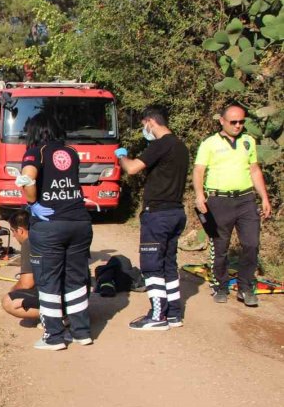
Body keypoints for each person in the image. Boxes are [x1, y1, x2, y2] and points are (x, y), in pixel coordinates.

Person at [18, 113, 93, 350]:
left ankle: (54, 336)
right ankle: (81, 332)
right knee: (76, 279)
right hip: (79, 222)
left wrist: (32, 204)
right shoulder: (71, 152)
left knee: (48, 280)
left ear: (35, 131)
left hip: (50, 226)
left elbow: (27, 179)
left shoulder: (35, 152)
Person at [114, 106, 189, 330]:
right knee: (168, 264)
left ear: (150, 122)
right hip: (176, 212)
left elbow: (132, 168)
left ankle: (157, 316)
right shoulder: (180, 146)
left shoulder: (161, 144)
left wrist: (122, 156)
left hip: (157, 214)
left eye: (143, 125)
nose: (144, 129)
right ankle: (173, 313)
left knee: (151, 265)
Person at [193, 103, 272, 307]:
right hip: (219, 201)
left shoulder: (248, 141)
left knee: (251, 244)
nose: (238, 125)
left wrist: (264, 197)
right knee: (220, 247)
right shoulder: (209, 143)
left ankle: (246, 287)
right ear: (222, 121)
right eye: (233, 122)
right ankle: (220, 285)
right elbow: (199, 170)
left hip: (246, 200)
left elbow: (254, 170)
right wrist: (199, 195)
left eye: (241, 122)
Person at [1, 209, 40, 322]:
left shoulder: (29, 243)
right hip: (77, 291)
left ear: (21, 230)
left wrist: (13, 290)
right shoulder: (44, 235)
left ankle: (57, 316)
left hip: (59, 296)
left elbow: (26, 283)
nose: (13, 235)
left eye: (13, 231)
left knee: (9, 302)